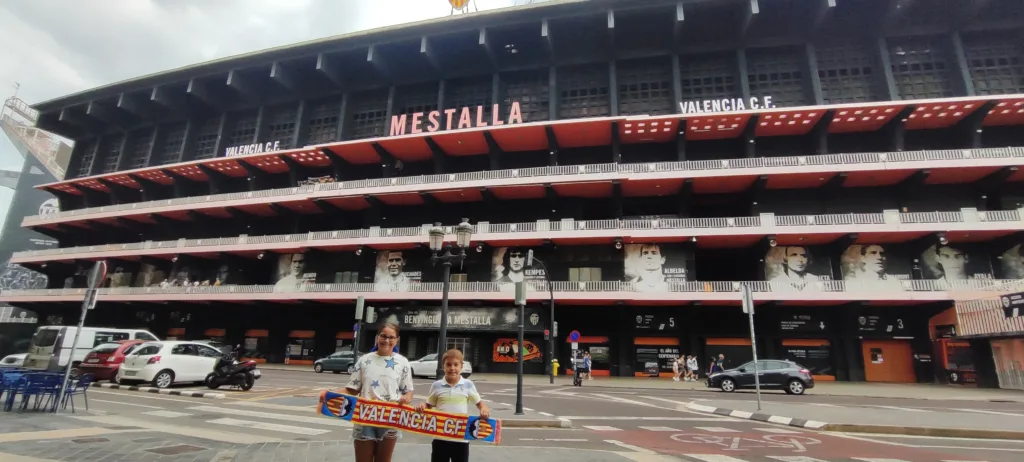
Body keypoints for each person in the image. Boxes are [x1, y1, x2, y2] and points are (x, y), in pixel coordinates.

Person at [344, 323, 414, 462]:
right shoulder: (364, 360)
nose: (386, 340)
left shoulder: (403, 362)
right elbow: (352, 389)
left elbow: (409, 392)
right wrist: (329, 395)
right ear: (377, 337)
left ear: (397, 340)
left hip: (390, 418)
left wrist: (405, 398)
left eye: (391, 337)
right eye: (383, 336)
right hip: (364, 418)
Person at [415, 349, 491, 462]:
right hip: (440, 437)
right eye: (448, 364)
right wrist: (422, 406)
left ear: (461, 366)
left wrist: (484, 409)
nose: (452, 368)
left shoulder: (468, 385)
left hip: (461, 438)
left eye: (456, 364)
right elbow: (428, 406)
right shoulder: (436, 385)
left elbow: (480, 404)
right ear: (443, 366)